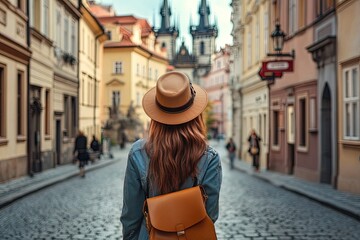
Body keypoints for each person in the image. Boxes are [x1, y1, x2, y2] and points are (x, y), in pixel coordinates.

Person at [120, 71, 222, 239]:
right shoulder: (209, 157)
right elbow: (209, 215)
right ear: (195, 113)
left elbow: (131, 216)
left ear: (156, 115)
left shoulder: (138, 153)